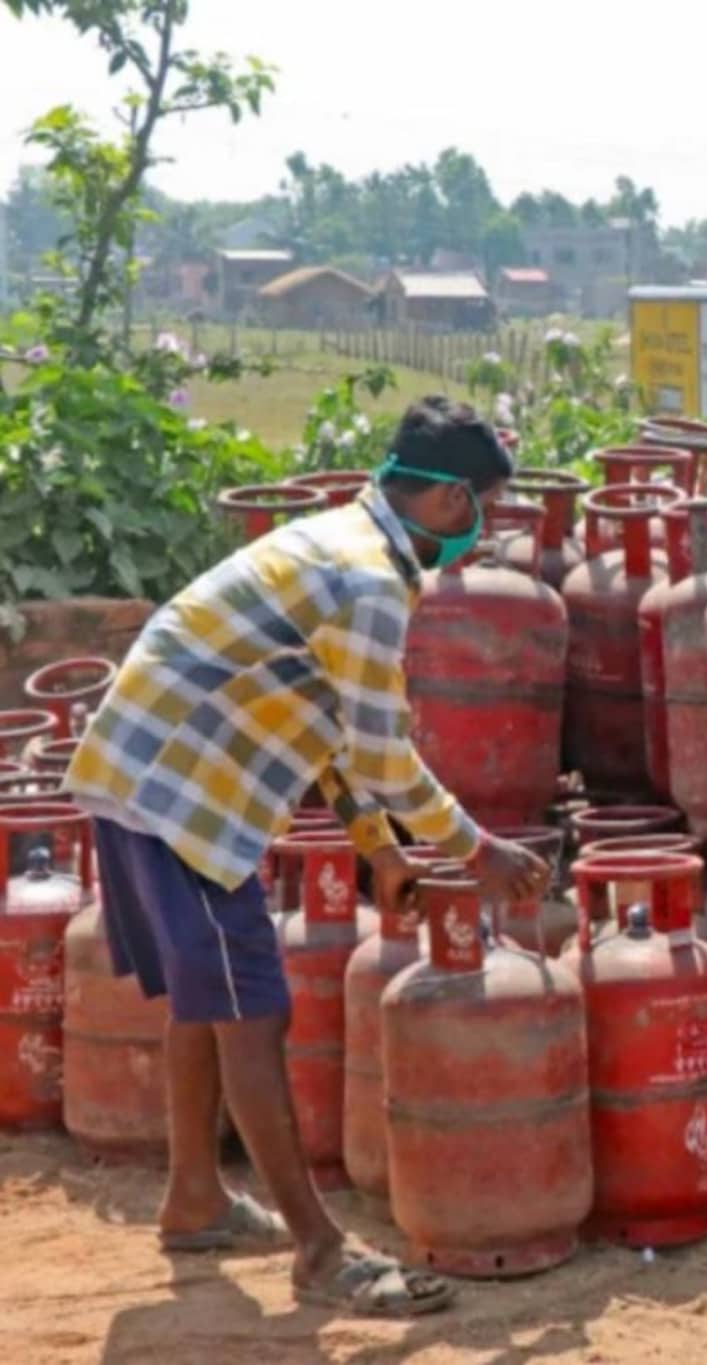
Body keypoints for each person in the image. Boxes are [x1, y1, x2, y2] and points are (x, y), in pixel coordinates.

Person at [63, 396, 553, 1318]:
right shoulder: (370, 582)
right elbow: (380, 756)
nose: (481, 532)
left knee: (210, 1003)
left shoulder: (340, 540)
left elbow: (326, 722)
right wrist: (475, 848)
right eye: (481, 508)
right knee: (252, 1010)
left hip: (151, 770)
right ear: (448, 502)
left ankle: (195, 1199)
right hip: (181, 792)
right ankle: (321, 1252)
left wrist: (377, 845)